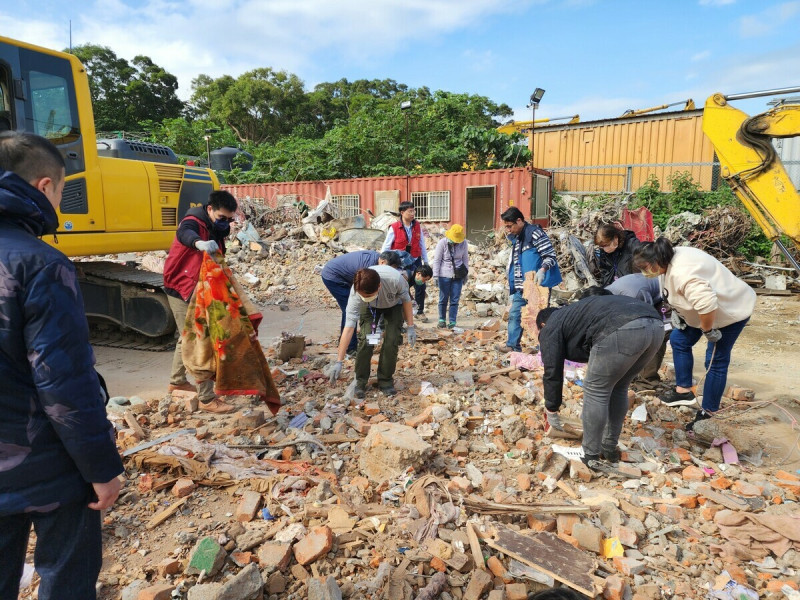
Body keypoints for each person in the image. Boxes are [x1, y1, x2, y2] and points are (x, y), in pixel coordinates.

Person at [0, 132, 124, 599]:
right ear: (46, 185)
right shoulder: (40, 263)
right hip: (45, 464)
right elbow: (63, 383)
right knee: (65, 580)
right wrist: (101, 468)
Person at [633, 237, 756, 430]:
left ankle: (708, 413)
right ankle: (683, 391)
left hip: (728, 312)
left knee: (715, 361)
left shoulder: (684, 273)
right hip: (701, 312)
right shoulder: (666, 258)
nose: (643, 272)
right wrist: (679, 313)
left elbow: (707, 305)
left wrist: (708, 330)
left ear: (658, 261)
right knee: (679, 340)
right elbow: (677, 293)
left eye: (645, 267)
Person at [537, 295, 663, 469]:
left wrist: (551, 408)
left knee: (596, 389)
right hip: (656, 326)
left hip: (622, 327)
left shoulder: (550, 326)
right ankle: (609, 447)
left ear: (542, 325)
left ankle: (590, 455)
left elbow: (552, 369)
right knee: (619, 386)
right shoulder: (576, 314)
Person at [163, 189, 238, 414]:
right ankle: (206, 398)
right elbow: (185, 233)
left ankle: (176, 381)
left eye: (229, 219)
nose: (225, 223)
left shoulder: (215, 229)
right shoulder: (194, 221)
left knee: (186, 337)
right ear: (209, 210)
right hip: (182, 286)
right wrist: (198, 244)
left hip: (200, 286)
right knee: (200, 340)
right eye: (221, 218)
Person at [326, 266, 416, 398]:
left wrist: (410, 326)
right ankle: (360, 381)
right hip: (369, 308)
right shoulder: (356, 293)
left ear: (379, 286)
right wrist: (339, 361)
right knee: (365, 340)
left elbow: (406, 301)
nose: (365, 297)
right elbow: (349, 327)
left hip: (393, 305)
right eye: (363, 295)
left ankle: (385, 381)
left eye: (368, 295)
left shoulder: (395, 280)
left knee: (392, 340)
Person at [497, 206, 562, 353]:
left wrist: (542, 270)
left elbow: (550, 255)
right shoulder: (517, 238)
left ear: (519, 221)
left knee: (538, 317)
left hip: (538, 285)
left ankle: (542, 348)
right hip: (522, 286)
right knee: (515, 314)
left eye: (509, 226)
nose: (507, 229)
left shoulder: (535, 233)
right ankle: (512, 346)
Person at [321, 250, 401, 355]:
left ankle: (358, 340)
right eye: (389, 268)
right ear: (382, 262)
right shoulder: (369, 269)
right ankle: (350, 348)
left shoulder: (378, 265)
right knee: (350, 310)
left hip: (345, 275)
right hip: (334, 276)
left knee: (368, 306)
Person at [605, 273, 671, 388]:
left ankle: (648, 381)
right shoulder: (605, 295)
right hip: (646, 297)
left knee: (656, 336)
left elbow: (648, 318)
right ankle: (630, 375)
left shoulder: (633, 294)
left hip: (665, 298)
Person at [382, 201, 430, 321]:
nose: (413, 213)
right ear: (402, 212)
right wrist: (383, 263)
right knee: (403, 286)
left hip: (415, 259)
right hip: (400, 262)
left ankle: (419, 311)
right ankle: (403, 313)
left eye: (414, 211)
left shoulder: (417, 226)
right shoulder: (394, 228)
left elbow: (421, 244)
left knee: (420, 284)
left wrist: (426, 261)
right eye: (410, 211)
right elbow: (386, 246)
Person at [432, 224, 469, 329]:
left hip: (458, 274)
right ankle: (442, 319)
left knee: (455, 299)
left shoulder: (464, 243)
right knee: (443, 298)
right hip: (444, 274)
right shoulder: (442, 243)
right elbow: (437, 260)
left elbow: (465, 259)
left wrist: (466, 274)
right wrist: (436, 275)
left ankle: (452, 321)